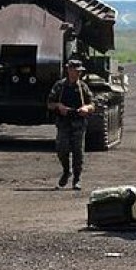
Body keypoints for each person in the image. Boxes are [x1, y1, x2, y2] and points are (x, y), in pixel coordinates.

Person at [47, 58, 95, 190]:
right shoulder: (60, 86)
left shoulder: (83, 87)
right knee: (62, 150)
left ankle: (77, 179)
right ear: (69, 70)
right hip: (64, 122)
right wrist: (59, 106)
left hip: (78, 122)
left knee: (78, 152)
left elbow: (92, 104)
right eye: (75, 70)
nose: (77, 73)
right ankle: (66, 170)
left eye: (79, 71)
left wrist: (86, 108)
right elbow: (49, 104)